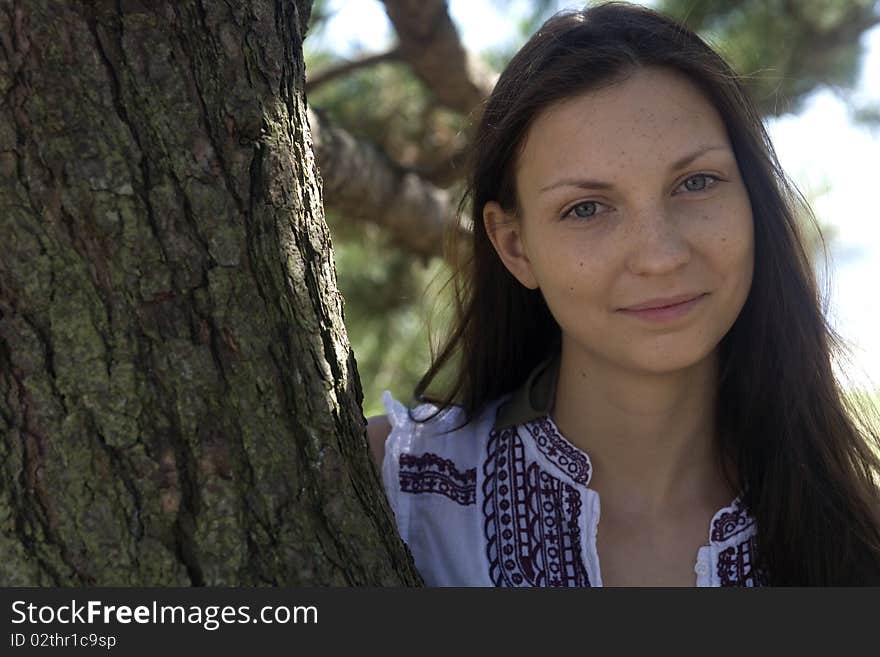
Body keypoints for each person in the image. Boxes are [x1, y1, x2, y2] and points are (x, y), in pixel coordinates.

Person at [366, 1, 880, 586]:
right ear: (515, 246)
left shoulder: (860, 536)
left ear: (751, 199)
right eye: (586, 208)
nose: (660, 256)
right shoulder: (399, 490)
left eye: (696, 182)